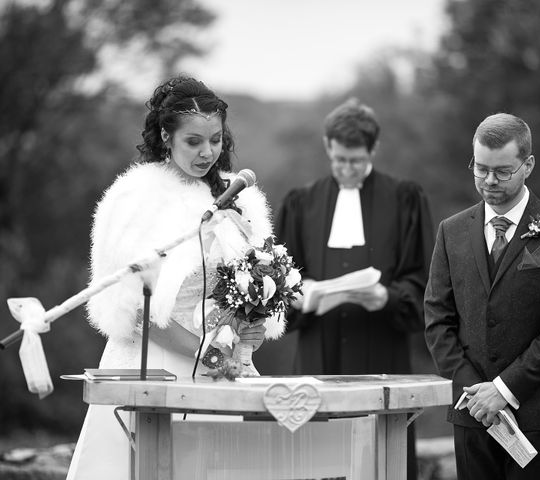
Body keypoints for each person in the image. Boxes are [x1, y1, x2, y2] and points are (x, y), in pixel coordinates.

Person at [66, 76, 282, 479]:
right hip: (153, 364)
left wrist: (250, 327)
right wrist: (206, 353)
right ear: (166, 136)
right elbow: (128, 309)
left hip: (222, 373)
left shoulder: (241, 199)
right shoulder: (134, 198)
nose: (208, 152)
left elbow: (256, 285)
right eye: (194, 142)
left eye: (216, 140)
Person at [424, 113, 540, 480]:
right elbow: (437, 319)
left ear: (528, 165)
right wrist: (474, 392)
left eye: (503, 171)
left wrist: (504, 389)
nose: (489, 181)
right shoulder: (450, 232)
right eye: (480, 169)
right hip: (472, 412)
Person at [276, 98, 434, 480]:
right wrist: (304, 295)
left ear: (373, 150)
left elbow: (423, 280)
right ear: (328, 147)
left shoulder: (404, 199)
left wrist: (388, 297)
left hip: (382, 358)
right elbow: (278, 286)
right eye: (340, 160)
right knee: (315, 462)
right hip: (318, 359)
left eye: (356, 161)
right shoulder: (302, 203)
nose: (347, 169)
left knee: (381, 462)